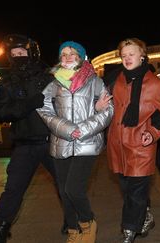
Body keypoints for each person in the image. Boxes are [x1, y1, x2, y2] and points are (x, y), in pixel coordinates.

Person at [0, 34, 58, 243]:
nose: (18, 57)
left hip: (53, 142)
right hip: (24, 144)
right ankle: (0, 231)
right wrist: (29, 104)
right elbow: (1, 111)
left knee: (66, 186)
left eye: (22, 53)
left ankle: (75, 223)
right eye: (14, 54)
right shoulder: (7, 81)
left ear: (32, 53)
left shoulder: (49, 76)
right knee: (13, 188)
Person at [37, 41, 113, 243]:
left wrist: (83, 130)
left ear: (81, 57)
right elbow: (43, 109)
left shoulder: (95, 82)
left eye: (72, 53)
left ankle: (88, 222)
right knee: (63, 191)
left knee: (73, 189)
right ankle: (73, 230)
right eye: (63, 54)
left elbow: (108, 110)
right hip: (60, 143)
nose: (67, 57)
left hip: (87, 143)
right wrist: (68, 130)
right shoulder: (53, 84)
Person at [106, 38, 160, 243]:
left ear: (142, 56)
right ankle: (145, 215)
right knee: (128, 189)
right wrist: (99, 107)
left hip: (141, 146)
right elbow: (109, 107)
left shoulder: (154, 83)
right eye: (124, 55)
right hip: (117, 144)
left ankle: (129, 231)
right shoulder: (116, 79)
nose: (127, 58)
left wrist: (152, 133)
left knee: (135, 191)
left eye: (131, 54)